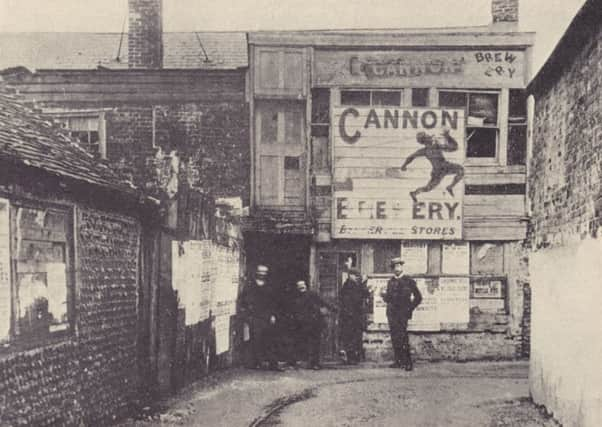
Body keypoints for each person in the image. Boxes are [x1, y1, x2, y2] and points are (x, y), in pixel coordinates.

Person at [389, 127, 464, 203]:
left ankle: (450, 187)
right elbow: (411, 157)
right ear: (425, 141)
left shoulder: (433, 147)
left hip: (444, 167)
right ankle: (414, 193)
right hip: (439, 171)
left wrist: (448, 137)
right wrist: (404, 165)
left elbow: (454, 148)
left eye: (428, 136)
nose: (430, 137)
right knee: (428, 188)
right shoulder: (429, 149)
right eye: (427, 136)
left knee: (461, 170)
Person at [381, 257, 422, 370]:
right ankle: (398, 361)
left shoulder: (408, 281)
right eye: (395, 266)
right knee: (395, 337)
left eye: (399, 266)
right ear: (392, 269)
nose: (397, 268)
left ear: (402, 267)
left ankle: (408, 363)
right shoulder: (390, 282)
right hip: (392, 313)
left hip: (402, 314)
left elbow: (418, 297)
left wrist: (409, 309)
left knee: (403, 337)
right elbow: (389, 299)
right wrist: (383, 296)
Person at [240, 265, 283, 371]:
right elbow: (243, 301)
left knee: (270, 340)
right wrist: (247, 316)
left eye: (265, 272)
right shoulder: (250, 285)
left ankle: (273, 364)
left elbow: (274, 302)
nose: (263, 274)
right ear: (257, 273)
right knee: (255, 340)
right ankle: (255, 363)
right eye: (261, 272)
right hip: (254, 317)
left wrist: (273, 315)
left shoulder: (270, 286)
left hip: (267, 317)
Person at [290, 280, 335, 370]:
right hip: (303, 323)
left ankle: (315, 363)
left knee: (315, 343)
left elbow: (322, 302)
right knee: (304, 342)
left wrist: (332, 308)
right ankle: (301, 362)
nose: (301, 287)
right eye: (299, 285)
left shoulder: (312, 294)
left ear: (306, 285)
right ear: (297, 287)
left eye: (303, 285)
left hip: (314, 322)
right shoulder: (296, 297)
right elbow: (295, 310)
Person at [339, 268, 371, 365]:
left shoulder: (352, 285)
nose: (356, 277)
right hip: (350, 316)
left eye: (357, 275)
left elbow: (362, 294)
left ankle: (352, 358)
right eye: (355, 275)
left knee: (353, 337)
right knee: (351, 337)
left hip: (353, 316)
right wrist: (363, 283)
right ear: (350, 275)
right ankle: (351, 358)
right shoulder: (349, 285)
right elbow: (358, 297)